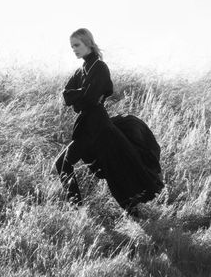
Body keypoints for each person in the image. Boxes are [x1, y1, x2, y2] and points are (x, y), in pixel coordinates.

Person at [54, 28, 164, 217]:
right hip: (88, 125)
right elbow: (66, 95)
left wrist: (80, 96)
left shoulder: (99, 67)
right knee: (113, 172)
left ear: (88, 43)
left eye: (77, 45)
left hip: (98, 127)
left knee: (105, 170)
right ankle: (129, 215)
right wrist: (82, 95)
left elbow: (89, 98)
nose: (74, 49)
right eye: (72, 46)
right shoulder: (81, 70)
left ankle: (79, 212)